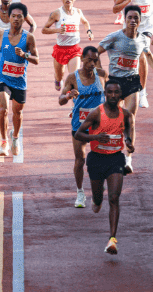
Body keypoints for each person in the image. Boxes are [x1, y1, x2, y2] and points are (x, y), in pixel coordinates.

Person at [74, 79, 135, 255]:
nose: (113, 95)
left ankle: (112, 239)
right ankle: (96, 198)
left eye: (116, 92)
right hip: (96, 160)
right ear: (105, 94)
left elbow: (127, 132)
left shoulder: (126, 115)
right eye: (110, 92)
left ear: (120, 95)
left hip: (115, 159)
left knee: (114, 198)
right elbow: (78, 134)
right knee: (99, 198)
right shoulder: (96, 114)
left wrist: (129, 143)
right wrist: (95, 138)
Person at [96, 5, 148, 174]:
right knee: (111, 120)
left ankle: (128, 159)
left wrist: (152, 76)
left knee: (130, 119)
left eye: (136, 18)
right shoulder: (115, 37)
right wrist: (100, 72)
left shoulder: (142, 39)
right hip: (115, 82)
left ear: (140, 20)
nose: (133, 21)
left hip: (132, 82)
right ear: (124, 19)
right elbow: (96, 52)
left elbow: (145, 58)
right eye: (130, 18)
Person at [0, 2, 39, 156]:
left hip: (19, 81)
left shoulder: (29, 38)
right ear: (9, 18)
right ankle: (3, 142)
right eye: (13, 16)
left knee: (18, 113)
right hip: (3, 78)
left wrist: (25, 55)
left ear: (24, 19)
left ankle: (14, 137)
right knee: (3, 109)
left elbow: (37, 59)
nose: (16, 19)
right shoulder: (0, 35)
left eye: (19, 16)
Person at [59, 46, 106, 208]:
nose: (92, 63)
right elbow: (60, 100)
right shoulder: (73, 77)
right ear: (82, 59)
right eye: (89, 60)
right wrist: (68, 95)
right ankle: (80, 192)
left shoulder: (101, 75)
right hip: (79, 124)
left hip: (99, 124)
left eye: (95, 60)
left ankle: (97, 187)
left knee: (100, 159)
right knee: (80, 160)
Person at [42, 0, 93, 90]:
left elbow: (85, 22)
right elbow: (44, 30)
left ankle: (73, 96)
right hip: (60, 49)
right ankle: (57, 79)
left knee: (74, 76)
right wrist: (57, 30)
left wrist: (89, 32)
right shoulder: (56, 13)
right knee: (59, 75)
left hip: (74, 49)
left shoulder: (78, 12)